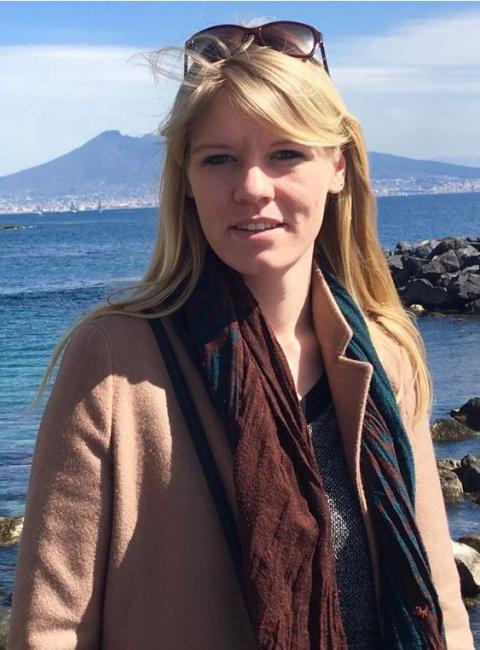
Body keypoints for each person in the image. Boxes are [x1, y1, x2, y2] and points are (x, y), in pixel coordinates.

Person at [8, 21, 473, 650]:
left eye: (286, 153)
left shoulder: (386, 355)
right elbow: (51, 628)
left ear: (337, 167)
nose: (252, 188)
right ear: (187, 179)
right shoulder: (115, 361)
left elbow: (440, 598)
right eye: (219, 159)